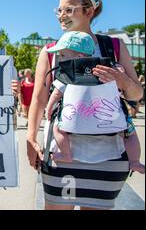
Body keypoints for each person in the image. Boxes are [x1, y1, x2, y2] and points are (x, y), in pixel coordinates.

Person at [27, 0, 144, 210]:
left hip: (110, 154)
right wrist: (31, 138)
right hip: (61, 153)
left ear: (88, 11)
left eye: (69, 10)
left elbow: (136, 95)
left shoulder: (115, 47)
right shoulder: (51, 50)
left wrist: (123, 81)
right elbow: (39, 99)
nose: (61, 16)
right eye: (59, 10)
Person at [44, 31, 144, 174]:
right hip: (110, 115)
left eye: (62, 55)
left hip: (77, 117)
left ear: (79, 56)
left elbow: (56, 93)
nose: (60, 59)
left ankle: (66, 154)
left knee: (58, 129)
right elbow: (120, 84)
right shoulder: (108, 67)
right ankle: (135, 161)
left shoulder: (68, 72)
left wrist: (49, 109)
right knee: (131, 134)